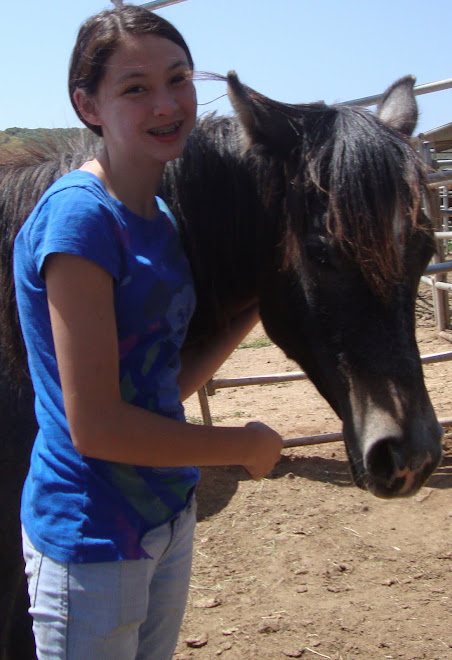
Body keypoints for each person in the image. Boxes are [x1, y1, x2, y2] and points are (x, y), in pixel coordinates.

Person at [13, 5, 282, 660]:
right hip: (92, 536)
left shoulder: (157, 217)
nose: (167, 103)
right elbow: (98, 426)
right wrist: (240, 444)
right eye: (135, 88)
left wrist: (259, 303)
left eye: (179, 78)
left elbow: (162, 386)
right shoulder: (80, 221)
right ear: (88, 105)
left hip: (165, 517)